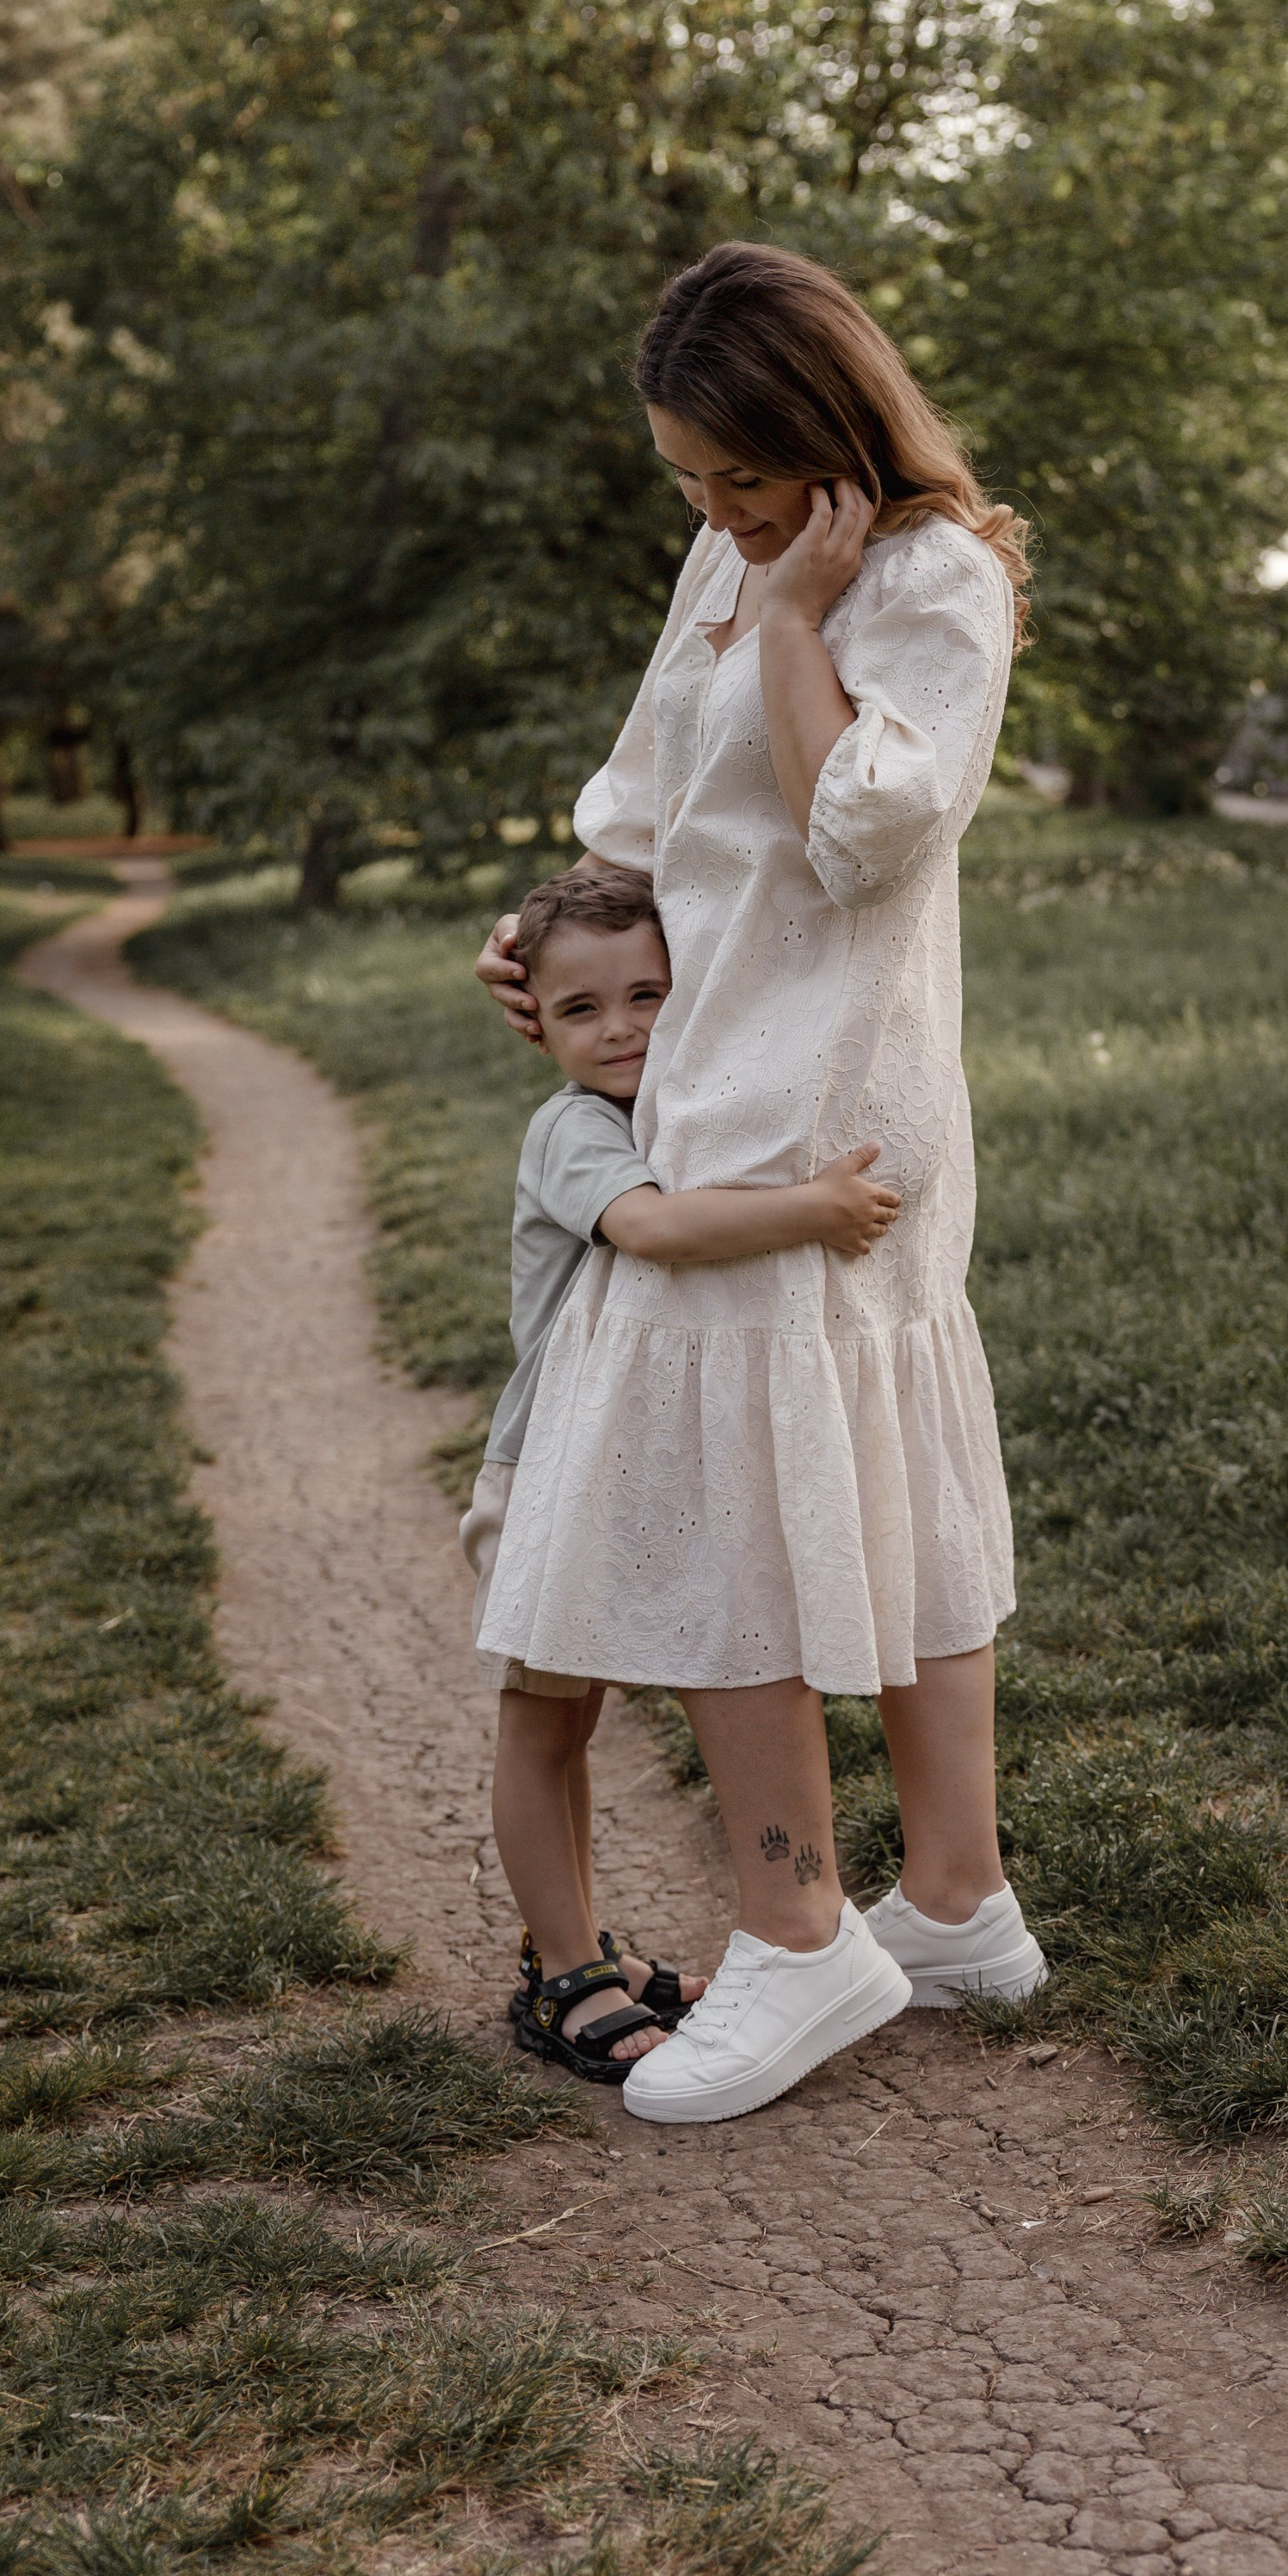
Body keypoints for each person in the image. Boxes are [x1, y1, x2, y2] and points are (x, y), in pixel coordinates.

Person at [474, 240, 1047, 2125]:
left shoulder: (936, 582)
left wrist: (803, 618)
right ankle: (956, 1905)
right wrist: (547, 929)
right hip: (712, 1074)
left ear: (833, 435)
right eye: (689, 484)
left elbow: (870, 829)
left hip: (824, 1106)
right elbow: (640, 811)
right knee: (840, 1474)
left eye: (741, 474)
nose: (714, 514)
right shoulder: (726, 554)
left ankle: (801, 1942)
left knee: (751, 1508)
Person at [464, 860, 900, 2083]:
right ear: (533, 1022)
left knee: (581, 1711)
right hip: (546, 1470)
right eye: (581, 1010)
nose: (622, 1031)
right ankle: (561, 1978)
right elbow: (653, 1230)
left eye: (648, 995)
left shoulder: (665, 1114)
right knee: (546, 1722)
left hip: (607, 1472)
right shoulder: (575, 1130)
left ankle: (585, 1952)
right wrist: (810, 1209)